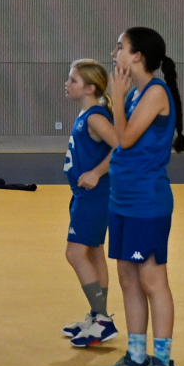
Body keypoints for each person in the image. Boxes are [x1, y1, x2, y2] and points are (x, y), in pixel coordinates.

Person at [94, 27, 184, 366]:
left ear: (137, 57)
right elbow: (118, 141)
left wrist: (115, 97)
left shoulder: (155, 92)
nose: (115, 52)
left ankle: (163, 363)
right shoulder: (133, 95)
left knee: (152, 280)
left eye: (120, 47)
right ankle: (135, 357)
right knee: (128, 279)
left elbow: (127, 139)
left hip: (147, 201)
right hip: (122, 199)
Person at [61, 59, 119, 347]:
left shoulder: (96, 116)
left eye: (73, 80)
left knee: (75, 253)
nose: (67, 84)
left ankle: (103, 320)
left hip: (96, 195)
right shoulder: (87, 114)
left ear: (90, 88)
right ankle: (99, 317)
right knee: (95, 253)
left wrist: (97, 172)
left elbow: (121, 145)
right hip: (85, 195)